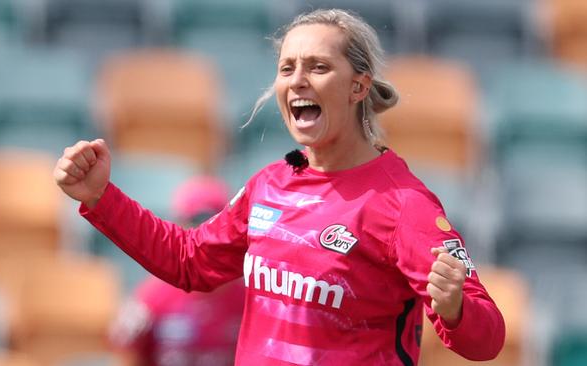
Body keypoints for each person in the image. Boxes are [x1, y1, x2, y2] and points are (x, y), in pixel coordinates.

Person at [53, 8, 505, 365]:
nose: (297, 80)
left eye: (318, 66)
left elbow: (488, 338)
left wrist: (454, 309)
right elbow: (187, 261)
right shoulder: (269, 186)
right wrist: (101, 197)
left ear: (358, 87)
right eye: (287, 68)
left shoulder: (404, 204)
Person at [108, 176, 244, 366]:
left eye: (212, 220)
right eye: (195, 220)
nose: (202, 229)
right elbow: (125, 350)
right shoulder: (151, 296)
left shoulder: (247, 297)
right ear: (178, 224)